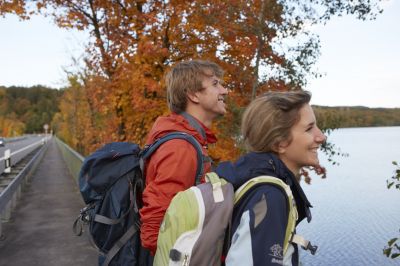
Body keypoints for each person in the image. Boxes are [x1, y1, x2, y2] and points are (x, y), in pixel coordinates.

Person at [215, 90, 326, 265]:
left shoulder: (250, 177)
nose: (321, 136)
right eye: (309, 128)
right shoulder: (269, 197)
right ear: (279, 143)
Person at [139, 59, 228, 255]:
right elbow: (157, 227)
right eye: (215, 84)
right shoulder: (181, 148)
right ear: (193, 94)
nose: (224, 91)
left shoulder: (190, 140)